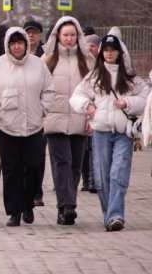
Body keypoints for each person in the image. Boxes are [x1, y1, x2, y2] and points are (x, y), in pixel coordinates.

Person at [70, 34, 148, 231]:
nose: (110, 53)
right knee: (102, 176)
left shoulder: (130, 77)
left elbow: (146, 98)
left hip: (123, 132)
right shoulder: (94, 76)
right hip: (101, 131)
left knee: (118, 172)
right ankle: (110, 215)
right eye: (106, 49)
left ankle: (115, 215)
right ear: (102, 52)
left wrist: (128, 103)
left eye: (113, 49)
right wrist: (87, 106)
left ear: (120, 53)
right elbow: (76, 96)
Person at [0, 27, 54, 227]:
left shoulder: (38, 65)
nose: (16, 46)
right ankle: (14, 211)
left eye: (20, 42)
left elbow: (49, 90)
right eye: (12, 43)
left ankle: (28, 203)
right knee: (11, 170)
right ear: (7, 45)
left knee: (34, 167)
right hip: (6, 127)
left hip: (33, 125)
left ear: (26, 44)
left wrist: (43, 109)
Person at [42, 16, 95, 225]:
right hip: (54, 119)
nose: (69, 39)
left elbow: (95, 90)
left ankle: (64, 207)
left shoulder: (88, 61)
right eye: (65, 35)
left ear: (78, 36)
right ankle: (68, 205)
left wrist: (93, 114)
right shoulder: (48, 60)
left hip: (80, 120)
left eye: (73, 35)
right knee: (61, 162)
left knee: (75, 165)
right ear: (58, 36)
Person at [23, 19, 47, 207]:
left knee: (38, 156)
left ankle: (37, 191)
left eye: (34, 32)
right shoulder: (15, 53)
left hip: (39, 113)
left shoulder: (46, 54)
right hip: (18, 113)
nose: (31, 35)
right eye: (28, 32)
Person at [80, 33, 101, 193]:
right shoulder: (81, 62)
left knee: (94, 149)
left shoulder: (101, 64)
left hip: (97, 112)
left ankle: (93, 181)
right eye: (87, 45)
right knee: (84, 151)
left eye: (93, 46)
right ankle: (86, 180)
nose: (89, 48)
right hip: (82, 110)